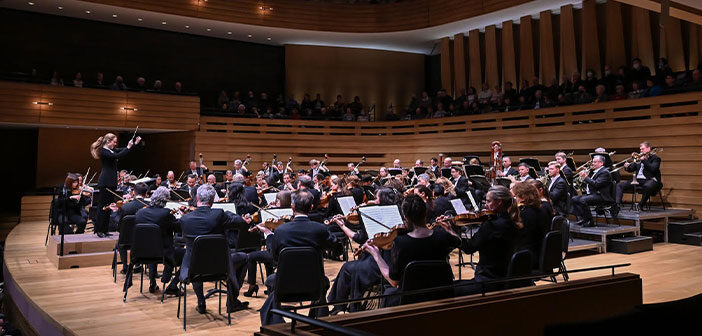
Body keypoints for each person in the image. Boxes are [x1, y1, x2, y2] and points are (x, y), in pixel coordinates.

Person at [364, 194, 460, 307]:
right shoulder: (442, 237)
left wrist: (376, 255)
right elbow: (458, 241)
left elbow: (394, 282)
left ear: (406, 217)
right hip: (440, 295)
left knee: (389, 293)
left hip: (411, 299)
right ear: (425, 213)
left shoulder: (400, 243)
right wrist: (449, 229)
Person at [257, 190, 338, 325]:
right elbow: (337, 248)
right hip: (315, 284)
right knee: (323, 281)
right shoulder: (319, 229)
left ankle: (276, 321)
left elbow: (275, 258)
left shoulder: (281, 231)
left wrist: (269, 235)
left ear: (292, 208)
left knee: (272, 279)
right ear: (311, 207)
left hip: (285, 284)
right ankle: (320, 320)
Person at [177, 184, 251, 313]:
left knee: (195, 257)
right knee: (244, 257)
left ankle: (201, 301)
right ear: (212, 200)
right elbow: (240, 223)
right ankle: (232, 301)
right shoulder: (219, 215)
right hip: (219, 267)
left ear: (197, 198)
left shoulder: (185, 219)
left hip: (192, 270)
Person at [454, 186, 519, 295]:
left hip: (487, 281)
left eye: (488, 201)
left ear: (498, 202)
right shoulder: (514, 222)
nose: (485, 205)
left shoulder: (491, 225)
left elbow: (469, 248)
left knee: (448, 289)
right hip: (505, 278)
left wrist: (452, 232)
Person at [91, 133, 141, 238]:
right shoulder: (104, 152)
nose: (115, 144)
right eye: (114, 141)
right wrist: (128, 147)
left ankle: (104, 229)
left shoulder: (110, 150)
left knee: (109, 206)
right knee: (102, 206)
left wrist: (133, 144)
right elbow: (117, 155)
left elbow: (122, 150)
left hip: (111, 181)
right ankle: (99, 229)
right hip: (105, 182)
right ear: (108, 141)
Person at [243, 190, 291, 298]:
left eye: (276, 200)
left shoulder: (276, 215)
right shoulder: (291, 213)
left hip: (278, 252)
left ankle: (252, 285)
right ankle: (271, 286)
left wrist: (266, 231)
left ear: (279, 200)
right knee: (266, 257)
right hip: (290, 252)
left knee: (251, 256)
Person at [134, 187, 181, 294]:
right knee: (188, 255)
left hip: (142, 253)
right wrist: (182, 216)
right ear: (165, 200)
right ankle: (171, 284)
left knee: (152, 246)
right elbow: (178, 228)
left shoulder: (140, 213)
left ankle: (152, 282)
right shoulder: (166, 213)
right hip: (163, 253)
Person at [511, 182, 551, 269]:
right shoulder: (541, 210)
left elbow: (517, 236)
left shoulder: (525, 214)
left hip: (527, 258)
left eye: (516, 196)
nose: (515, 199)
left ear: (523, 197)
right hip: (540, 254)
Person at [570, 155, 615, 227]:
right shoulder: (595, 171)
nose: (592, 163)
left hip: (602, 196)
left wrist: (585, 177)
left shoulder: (604, 172)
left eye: (595, 162)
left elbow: (596, 184)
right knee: (574, 199)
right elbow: (590, 181)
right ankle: (584, 218)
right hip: (593, 194)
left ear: (601, 163)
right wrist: (587, 173)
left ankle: (590, 221)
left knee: (582, 200)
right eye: (593, 162)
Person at [616, 142, 662, 211]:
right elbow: (631, 169)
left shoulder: (656, 158)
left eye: (643, 149)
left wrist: (644, 161)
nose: (641, 151)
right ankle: (617, 205)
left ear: (648, 148)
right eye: (640, 149)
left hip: (650, 179)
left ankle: (640, 205)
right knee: (620, 185)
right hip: (638, 180)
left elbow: (653, 169)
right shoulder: (639, 158)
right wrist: (627, 167)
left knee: (647, 186)